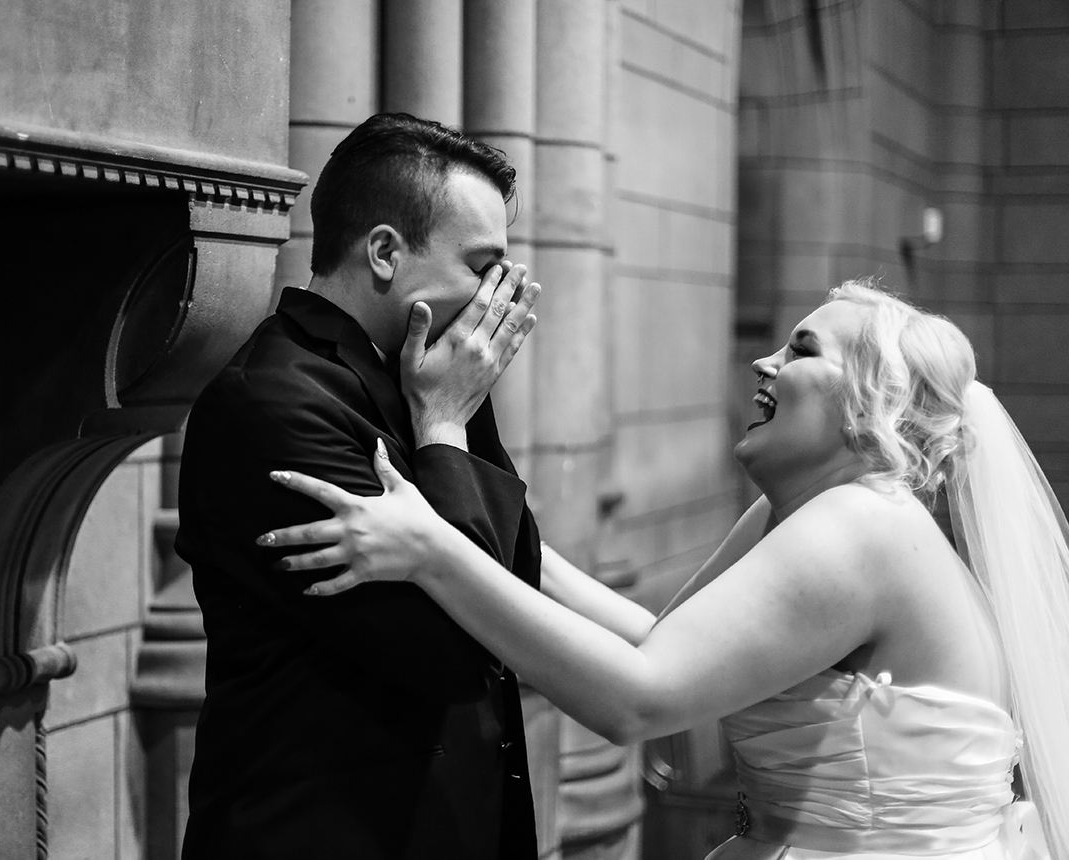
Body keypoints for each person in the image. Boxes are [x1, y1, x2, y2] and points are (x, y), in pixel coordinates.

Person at [263, 281, 1069, 860]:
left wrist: (431, 554)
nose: (763, 360)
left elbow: (637, 700)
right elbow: (666, 640)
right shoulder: (812, 514)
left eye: (801, 348)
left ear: (874, 404)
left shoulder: (865, 527)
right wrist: (463, 507)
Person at [174, 112, 543, 860]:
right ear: (384, 253)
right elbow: (456, 649)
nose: (500, 298)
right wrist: (441, 425)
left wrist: (456, 405)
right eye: (482, 267)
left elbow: (517, 585)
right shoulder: (274, 403)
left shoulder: (419, 377)